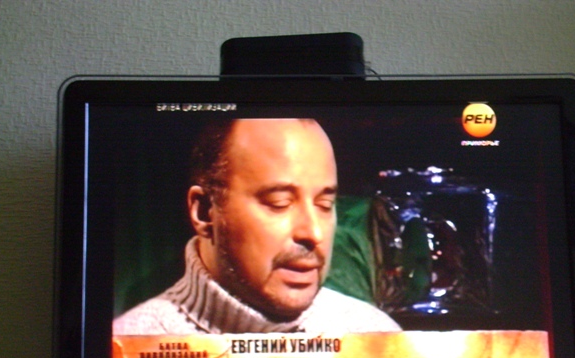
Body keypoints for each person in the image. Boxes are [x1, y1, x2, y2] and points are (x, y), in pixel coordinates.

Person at [113, 118, 401, 335]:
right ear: (204, 211)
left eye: (325, 205)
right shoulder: (128, 344)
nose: (313, 233)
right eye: (279, 203)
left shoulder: (376, 336)